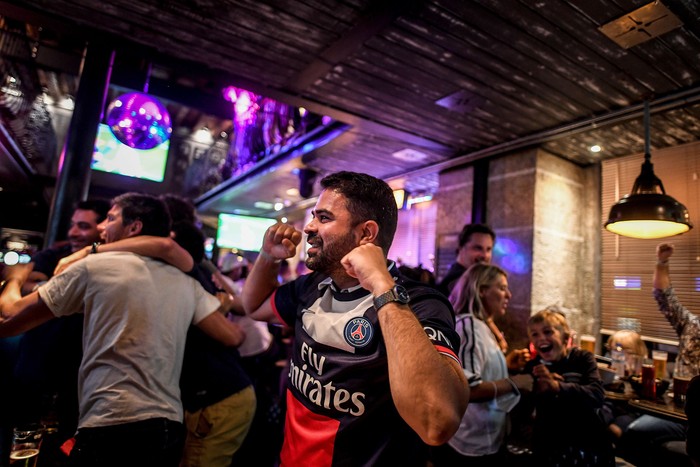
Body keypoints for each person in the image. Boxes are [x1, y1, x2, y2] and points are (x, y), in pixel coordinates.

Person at [241, 171, 469, 466]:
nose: (309, 227)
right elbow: (254, 305)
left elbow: (436, 423)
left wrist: (382, 286)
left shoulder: (421, 304)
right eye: (314, 216)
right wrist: (268, 257)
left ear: (366, 234)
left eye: (324, 218)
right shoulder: (313, 285)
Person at [0, 193, 245, 467]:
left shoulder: (93, 267)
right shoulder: (185, 281)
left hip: (110, 420)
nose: (103, 227)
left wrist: (14, 279)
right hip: (168, 425)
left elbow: (11, 313)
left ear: (134, 228)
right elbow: (234, 336)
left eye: (111, 218)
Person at [12, 199, 109, 450]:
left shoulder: (111, 263)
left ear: (103, 228)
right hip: (36, 361)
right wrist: (49, 288)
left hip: (78, 371)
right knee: (23, 437)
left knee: (66, 442)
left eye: (83, 226)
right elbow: (25, 280)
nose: (73, 232)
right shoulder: (57, 254)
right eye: (73, 225)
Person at [432, 264, 533, 466]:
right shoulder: (469, 326)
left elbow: (478, 369)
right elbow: (467, 388)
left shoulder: (481, 325)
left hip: (487, 438)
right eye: (502, 288)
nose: (509, 295)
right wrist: (515, 382)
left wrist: (506, 365)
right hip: (471, 444)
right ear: (482, 290)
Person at [619, 243, 700, 466]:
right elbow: (664, 297)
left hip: (691, 417)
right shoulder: (693, 326)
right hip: (672, 407)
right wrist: (662, 261)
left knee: (637, 431)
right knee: (629, 428)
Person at [524, 309, 614, 466]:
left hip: (588, 446)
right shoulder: (533, 367)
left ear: (565, 337)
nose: (541, 339)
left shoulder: (582, 358)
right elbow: (524, 409)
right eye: (535, 334)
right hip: (551, 449)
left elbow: (597, 395)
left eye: (547, 332)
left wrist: (558, 386)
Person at [437, 223, 495, 296]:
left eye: (488, 249)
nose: (485, 255)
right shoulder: (459, 282)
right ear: (461, 249)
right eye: (478, 248)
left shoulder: (471, 279)